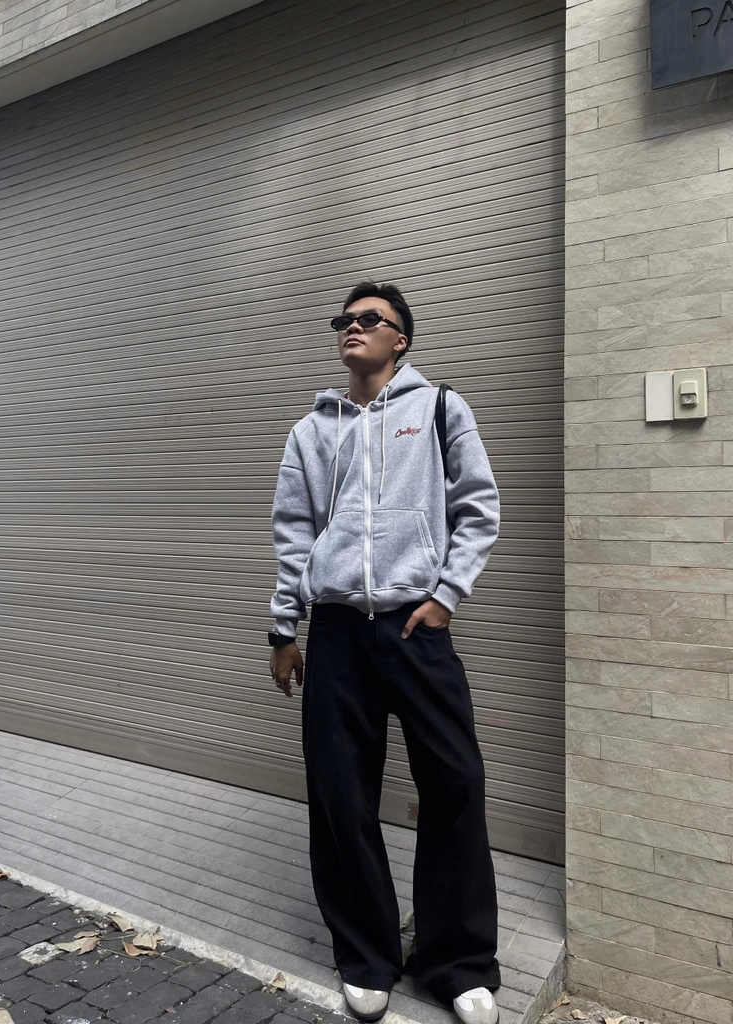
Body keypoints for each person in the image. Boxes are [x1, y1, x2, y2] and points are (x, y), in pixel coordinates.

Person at [268, 282, 502, 1024]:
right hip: (338, 631)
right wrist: (284, 629)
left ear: (401, 339)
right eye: (345, 319)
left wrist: (446, 596)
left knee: (455, 783)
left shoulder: (439, 409)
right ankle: (366, 955)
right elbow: (294, 533)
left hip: (415, 628)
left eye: (371, 319)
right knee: (341, 795)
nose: (353, 326)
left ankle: (457, 963)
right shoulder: (312, 431)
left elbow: (478, 508)